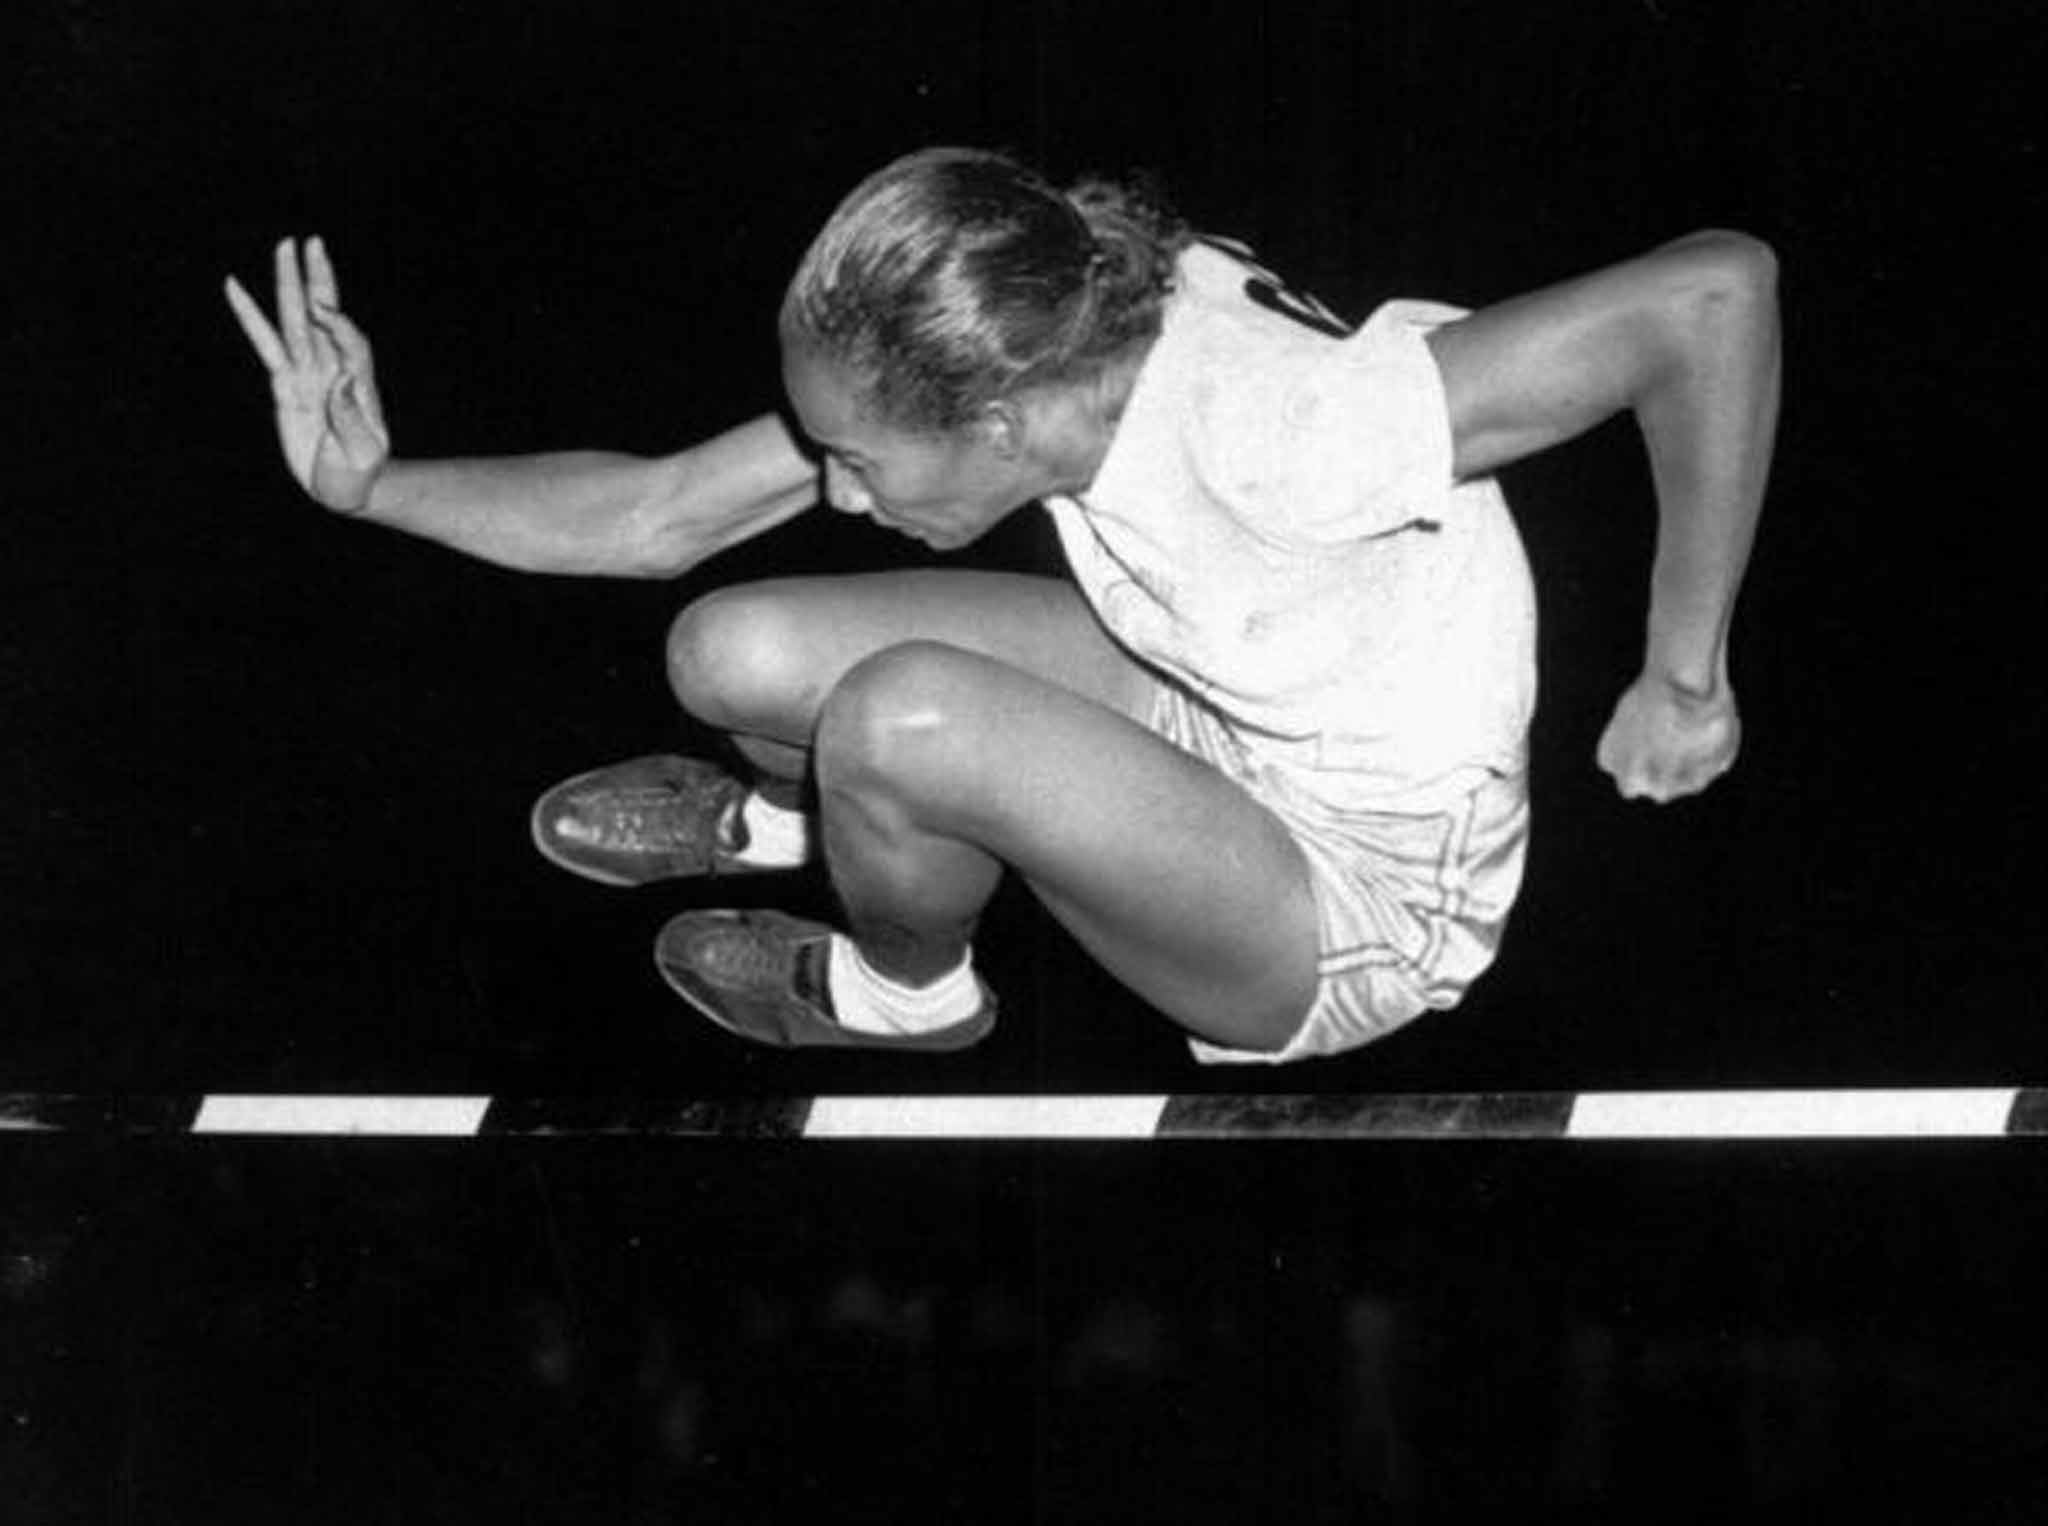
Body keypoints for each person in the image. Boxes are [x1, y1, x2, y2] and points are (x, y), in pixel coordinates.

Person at [225, 146, 1777, 1063]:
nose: (838, 491)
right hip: (1205, 696)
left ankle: (905, 986)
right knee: (727, 646)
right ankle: (811, 816)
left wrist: (1684, 675)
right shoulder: (1040, 323)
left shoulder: (1285, 436)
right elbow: (658, 518)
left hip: (1348, 897)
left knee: (902, 711)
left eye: (858, 461)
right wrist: (375, 488)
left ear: (1000, 426)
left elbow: (1713, 296)